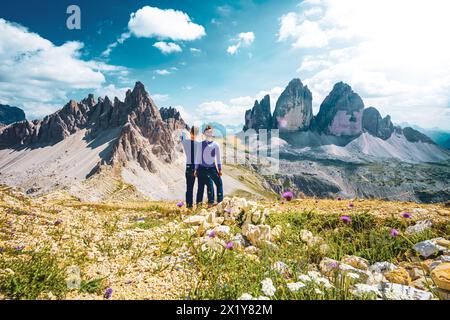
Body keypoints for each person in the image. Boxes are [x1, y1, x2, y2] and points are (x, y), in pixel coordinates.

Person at [195, 125, 223, 206]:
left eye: (210, 132)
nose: (209, 133)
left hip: (202, 168)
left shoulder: (200, 144)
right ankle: (218, 202)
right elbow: (218, 158)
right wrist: (220, 169)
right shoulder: (215, 144)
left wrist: (196, 169)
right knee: (218, 184)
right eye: (208, 132)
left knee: (201, 187)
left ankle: (199, 204)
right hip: (211, 168)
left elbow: (197, 158)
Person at [180, 126, 200, 209]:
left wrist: (185, 132)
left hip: (188, 167)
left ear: (190, 133)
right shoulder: (199, 145)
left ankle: (189, 206)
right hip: (197, 168)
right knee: (200, 187)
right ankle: (199, 205)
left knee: (189, 188)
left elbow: (181, 137)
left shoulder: (185, 142)